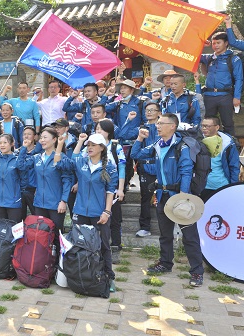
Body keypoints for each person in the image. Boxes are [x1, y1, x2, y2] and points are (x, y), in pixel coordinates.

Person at [131, 113, 204, 287]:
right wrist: (140, 138)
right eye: (157, 123)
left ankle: (196, 271)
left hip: (179, 197)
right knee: (165, 234)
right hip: (163, 196)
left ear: (172, 126)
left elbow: (186, 171)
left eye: (161, 123)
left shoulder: (182, 147)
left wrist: (183, 198)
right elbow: (136, 154)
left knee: (190, 236)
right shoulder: (158, 144)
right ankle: (165, 263)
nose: (157, 126)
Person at [55, 133, 118, 286]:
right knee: (77, 244)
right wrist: (66, 143)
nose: (89, 148)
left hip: (99, 213)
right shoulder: (81, 162)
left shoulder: (110, 167)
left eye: (93, 145)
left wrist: (107, 212)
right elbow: (59, 163)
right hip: (80, 211)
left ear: (102, 148)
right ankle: (79, 275)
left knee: (103, 245)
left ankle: (108, 277)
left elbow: (111, 191)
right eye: (88, 145)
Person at [17, 127, 72, 239]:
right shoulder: (37, 157)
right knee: (41, 236)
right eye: (41, 138)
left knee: (56, 237)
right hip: (39, 204)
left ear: (54, 139)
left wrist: (63, 201)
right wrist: (24, 148)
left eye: (45, 137)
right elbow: (21, 166)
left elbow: (67, 180)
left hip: (55, 204)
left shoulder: (61, 158)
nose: (42, 140)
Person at [199, 31, 242, 136]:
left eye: (218, 43)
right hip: (209, 96)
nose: (215, 46)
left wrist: (237, 97)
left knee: (228, 124)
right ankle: (208, 145)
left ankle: (231, 145)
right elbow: (193, 56)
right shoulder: (208, 58)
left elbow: (239, 78)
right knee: (207, 124)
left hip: (225, 96)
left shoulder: (234, 58)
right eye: (214, 43)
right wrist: (202, 46)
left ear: (226, 43)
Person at [134, 102, 161, 238]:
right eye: (147, 110)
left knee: (164, 197)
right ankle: (145, 226)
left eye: (152, 110)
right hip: (145, 167)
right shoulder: (141, 128)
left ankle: (166, 227)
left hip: (161, 167)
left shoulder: (163, 128)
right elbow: (134, 151)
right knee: (145, 197)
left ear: (159, 113)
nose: (149, 112)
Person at [199, 115, 240, 202]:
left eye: (207, 126)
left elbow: (234, 166)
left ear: (217, 127)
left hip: (221, 185)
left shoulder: (228, 143)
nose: (204, 128)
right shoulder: (198, 141)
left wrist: (233, 186)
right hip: (202, 186)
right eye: (202, 126)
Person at [18, 126, 38, 219]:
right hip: (20, 189)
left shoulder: (39, 152)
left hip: (33, 190)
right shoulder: (18, 152)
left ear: (34, 136)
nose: (26, 136)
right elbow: (19, 166)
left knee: (36, 217)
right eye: (24, 134)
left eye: (29, 134)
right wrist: (23, 148)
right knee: (20, 218)